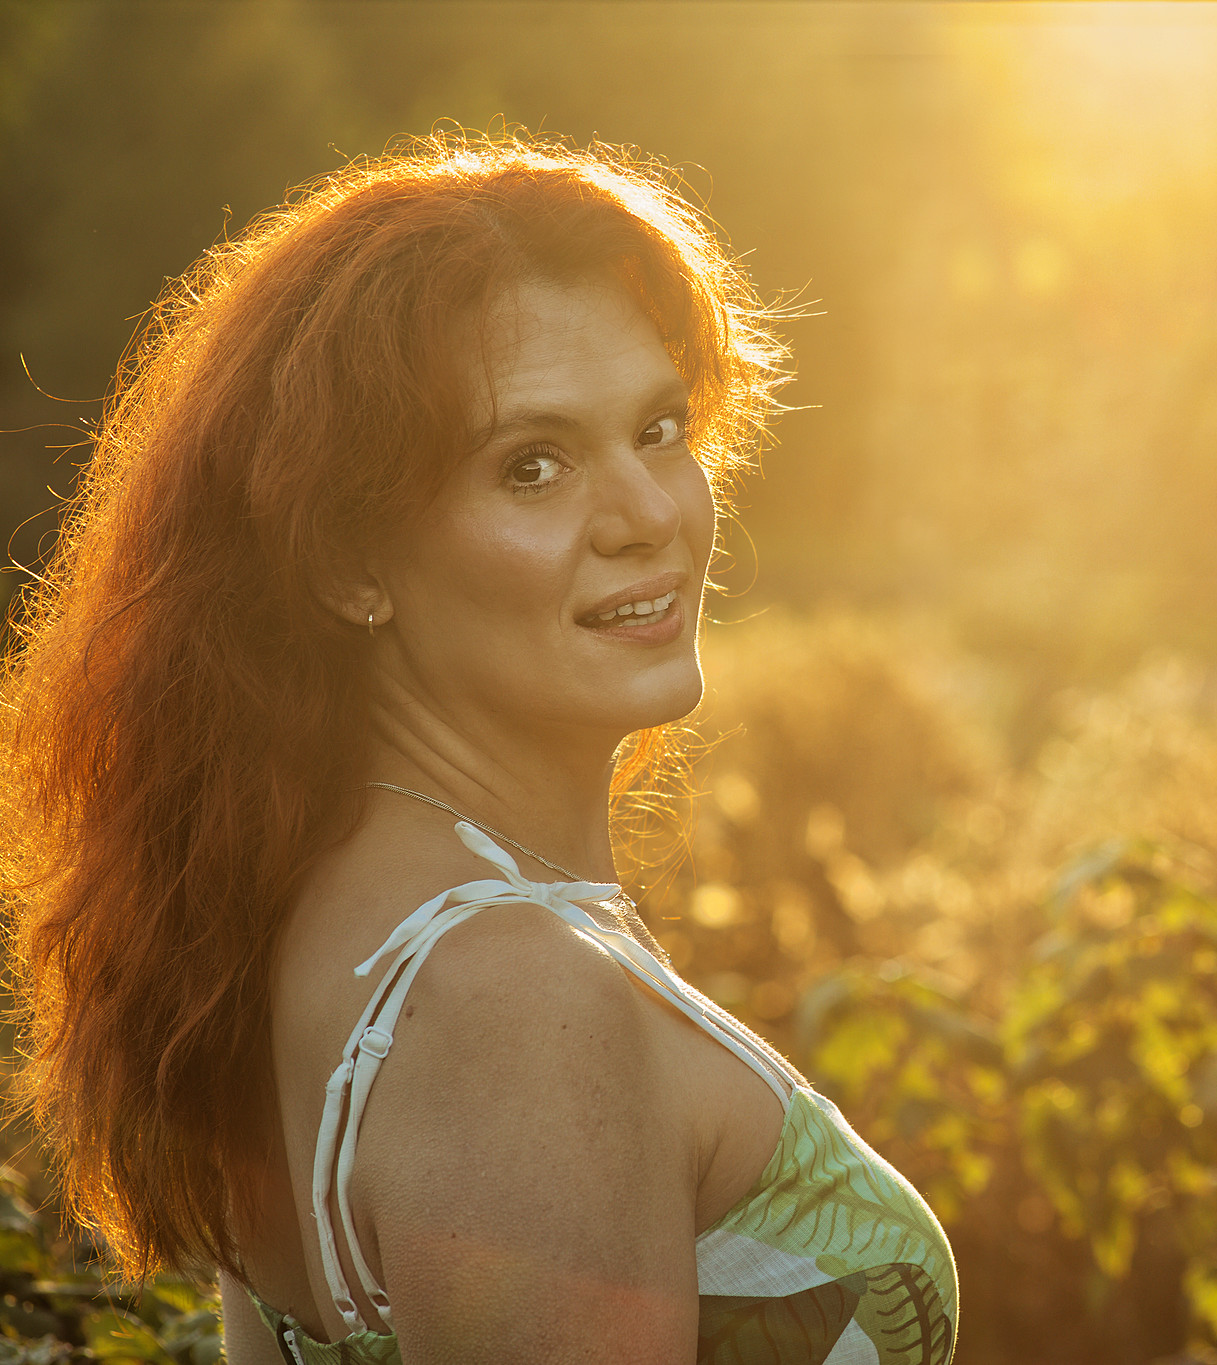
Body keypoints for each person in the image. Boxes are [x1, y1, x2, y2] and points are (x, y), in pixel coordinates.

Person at [0, 132, 958, 1365]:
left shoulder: (317, 916)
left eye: (660, 430)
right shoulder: (513, 999)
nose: (649, 515)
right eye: (534, 465)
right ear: (348, 562)